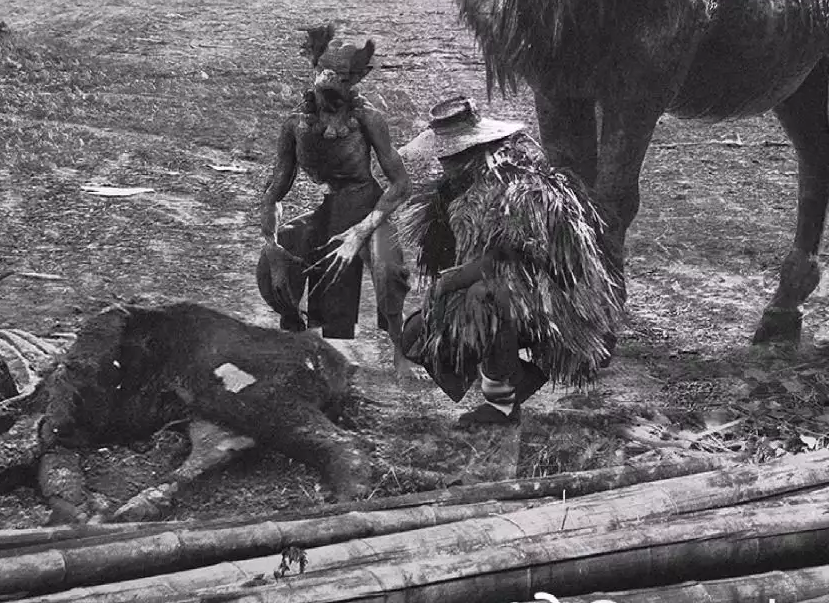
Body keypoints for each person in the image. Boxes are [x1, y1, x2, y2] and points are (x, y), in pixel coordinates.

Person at [395, 95, 623, 428]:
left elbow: (499, 260)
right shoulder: (461, 187)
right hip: (512, 288)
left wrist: (448, 283)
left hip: (550, 299)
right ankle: (514, 383)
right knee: (415, 334)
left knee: (483, 299)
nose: (443, 162)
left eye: (448, 154)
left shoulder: (511, 188)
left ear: (467, 150)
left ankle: (503, 405)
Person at [255, 24, 412, 370]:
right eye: (327, 73)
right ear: (315, 70)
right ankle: (296, 342)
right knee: (285, 251)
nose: (334, 82)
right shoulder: (296, 125)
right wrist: (273, 248)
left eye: (343, 76)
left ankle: (401, 351)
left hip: (369, 207)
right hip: (331, 208)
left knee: (387, 267)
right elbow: (274, 192)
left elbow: (400, 184)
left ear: (355, 80)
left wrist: (360, 232)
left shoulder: (368, 119)